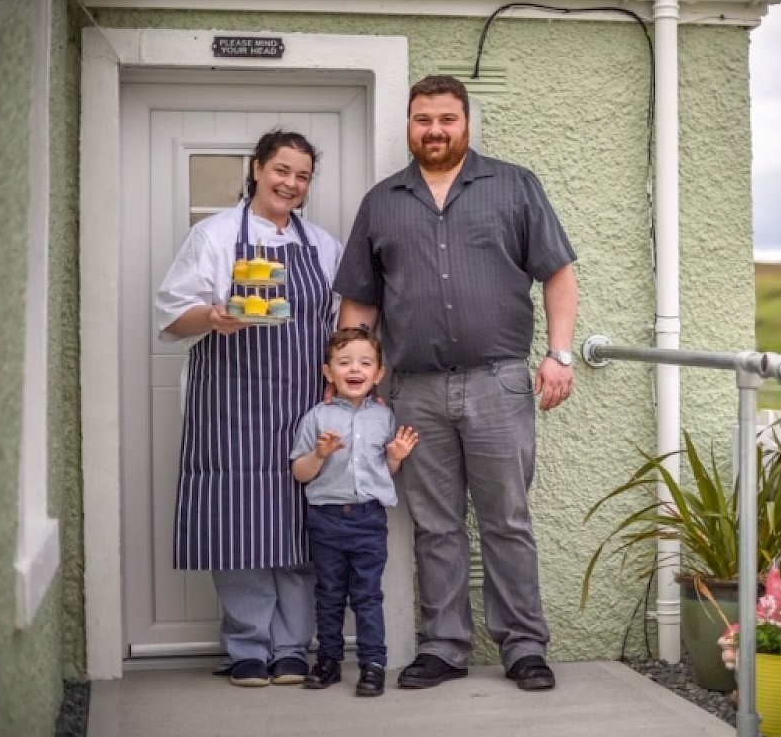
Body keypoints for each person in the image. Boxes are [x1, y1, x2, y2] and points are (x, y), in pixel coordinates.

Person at [333, 74, 578, 692]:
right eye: (423, 119)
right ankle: (443, 646)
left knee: (506, 520)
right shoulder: (382, 201)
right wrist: (351, 382)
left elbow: (558, 273)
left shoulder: (515, 186)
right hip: (413, 389)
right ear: (409, 124)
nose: (434, 130)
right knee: (435, 524)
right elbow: (360, 303)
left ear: (466, 122)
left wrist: (560, 354)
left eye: (446, 118)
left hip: (498, 382)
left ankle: (524, 646)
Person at [155, 130, 342, 687]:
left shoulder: (324, 246)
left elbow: (335, 328)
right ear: (258, 169)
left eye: (302, 176)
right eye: (281, 170)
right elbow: (170, 314)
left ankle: (291, 646)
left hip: (303, 406)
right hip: (229, 409)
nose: (291, 183)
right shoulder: (212, 236)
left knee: (299, 526)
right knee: (236, 526)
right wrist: (213, 317)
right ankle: (247, 648)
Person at [290, 327, 419, 697]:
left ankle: (373, 664)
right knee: (329, 592)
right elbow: (300, 472)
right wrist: (319, 455)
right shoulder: (316, 418)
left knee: (367, 595)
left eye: (365, 362)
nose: (355, 369)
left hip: (368, 519)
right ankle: (328, 661)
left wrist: (394, 458)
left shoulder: (384, 418)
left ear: (378, 374)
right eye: (344, 362)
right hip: (326, 519)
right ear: (328, 372)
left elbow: (385, 473)